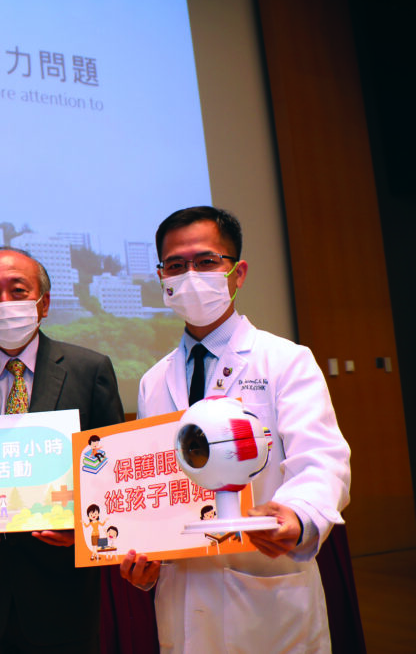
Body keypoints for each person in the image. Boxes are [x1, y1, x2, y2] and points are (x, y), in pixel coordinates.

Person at [120, 206, 351, 653]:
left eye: (206, 262)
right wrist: (144, 558)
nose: (190, 275)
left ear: (237, 272)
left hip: (266, 584)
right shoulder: (153, 380)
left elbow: (323, 459)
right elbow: (155, 484)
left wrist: (298, 514)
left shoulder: (285, 360)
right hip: (183, 592)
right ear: (162, 278)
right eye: (175, 265)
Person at [0, 246, 124, 653]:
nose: (4, 303)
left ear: (43, 303)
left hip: (63, 603)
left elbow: (114, 477)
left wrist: (82, 533)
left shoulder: (90, 370)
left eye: (18, 290)